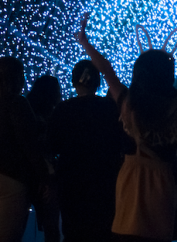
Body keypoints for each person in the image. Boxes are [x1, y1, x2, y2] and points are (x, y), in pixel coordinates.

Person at [77, 13, 177, 242]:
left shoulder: (129, 104)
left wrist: (85, 42)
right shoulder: (176, 106)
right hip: (163, 182)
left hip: (131, 179)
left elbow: (107, 71)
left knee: (126, 230)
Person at [48, 60, 128, 242]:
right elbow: (121, 141)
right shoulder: (110, 108)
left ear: (74, 81)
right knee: (104, 229)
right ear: (98, 82)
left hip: (71, 179)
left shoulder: (63, 109)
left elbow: (51, 145)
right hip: (105, 178)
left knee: (74, 231)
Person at [0, 56, 48, 242]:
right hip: (9, 178)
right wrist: (45, 176)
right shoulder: (17, 103)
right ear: (18, 77)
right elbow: (28, 143)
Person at [27, 75, 62, 242]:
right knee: (51, 226)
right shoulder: (46, 119)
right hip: (44, 175)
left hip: (29, 175)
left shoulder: (30, 113)